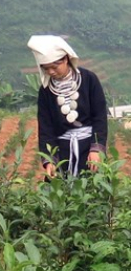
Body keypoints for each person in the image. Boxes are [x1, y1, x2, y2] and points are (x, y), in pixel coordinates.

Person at [27, 35, 107, 179]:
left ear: (66, 59)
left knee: (94, 189)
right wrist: (49, 160)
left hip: (89, 149)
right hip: (62, 152)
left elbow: (99, 117)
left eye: (54, 66)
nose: (51, 72)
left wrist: (96, 149)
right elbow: (46, 128)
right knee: (59, 193)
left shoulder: (89, 79)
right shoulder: (46, 91)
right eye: (46, 68)